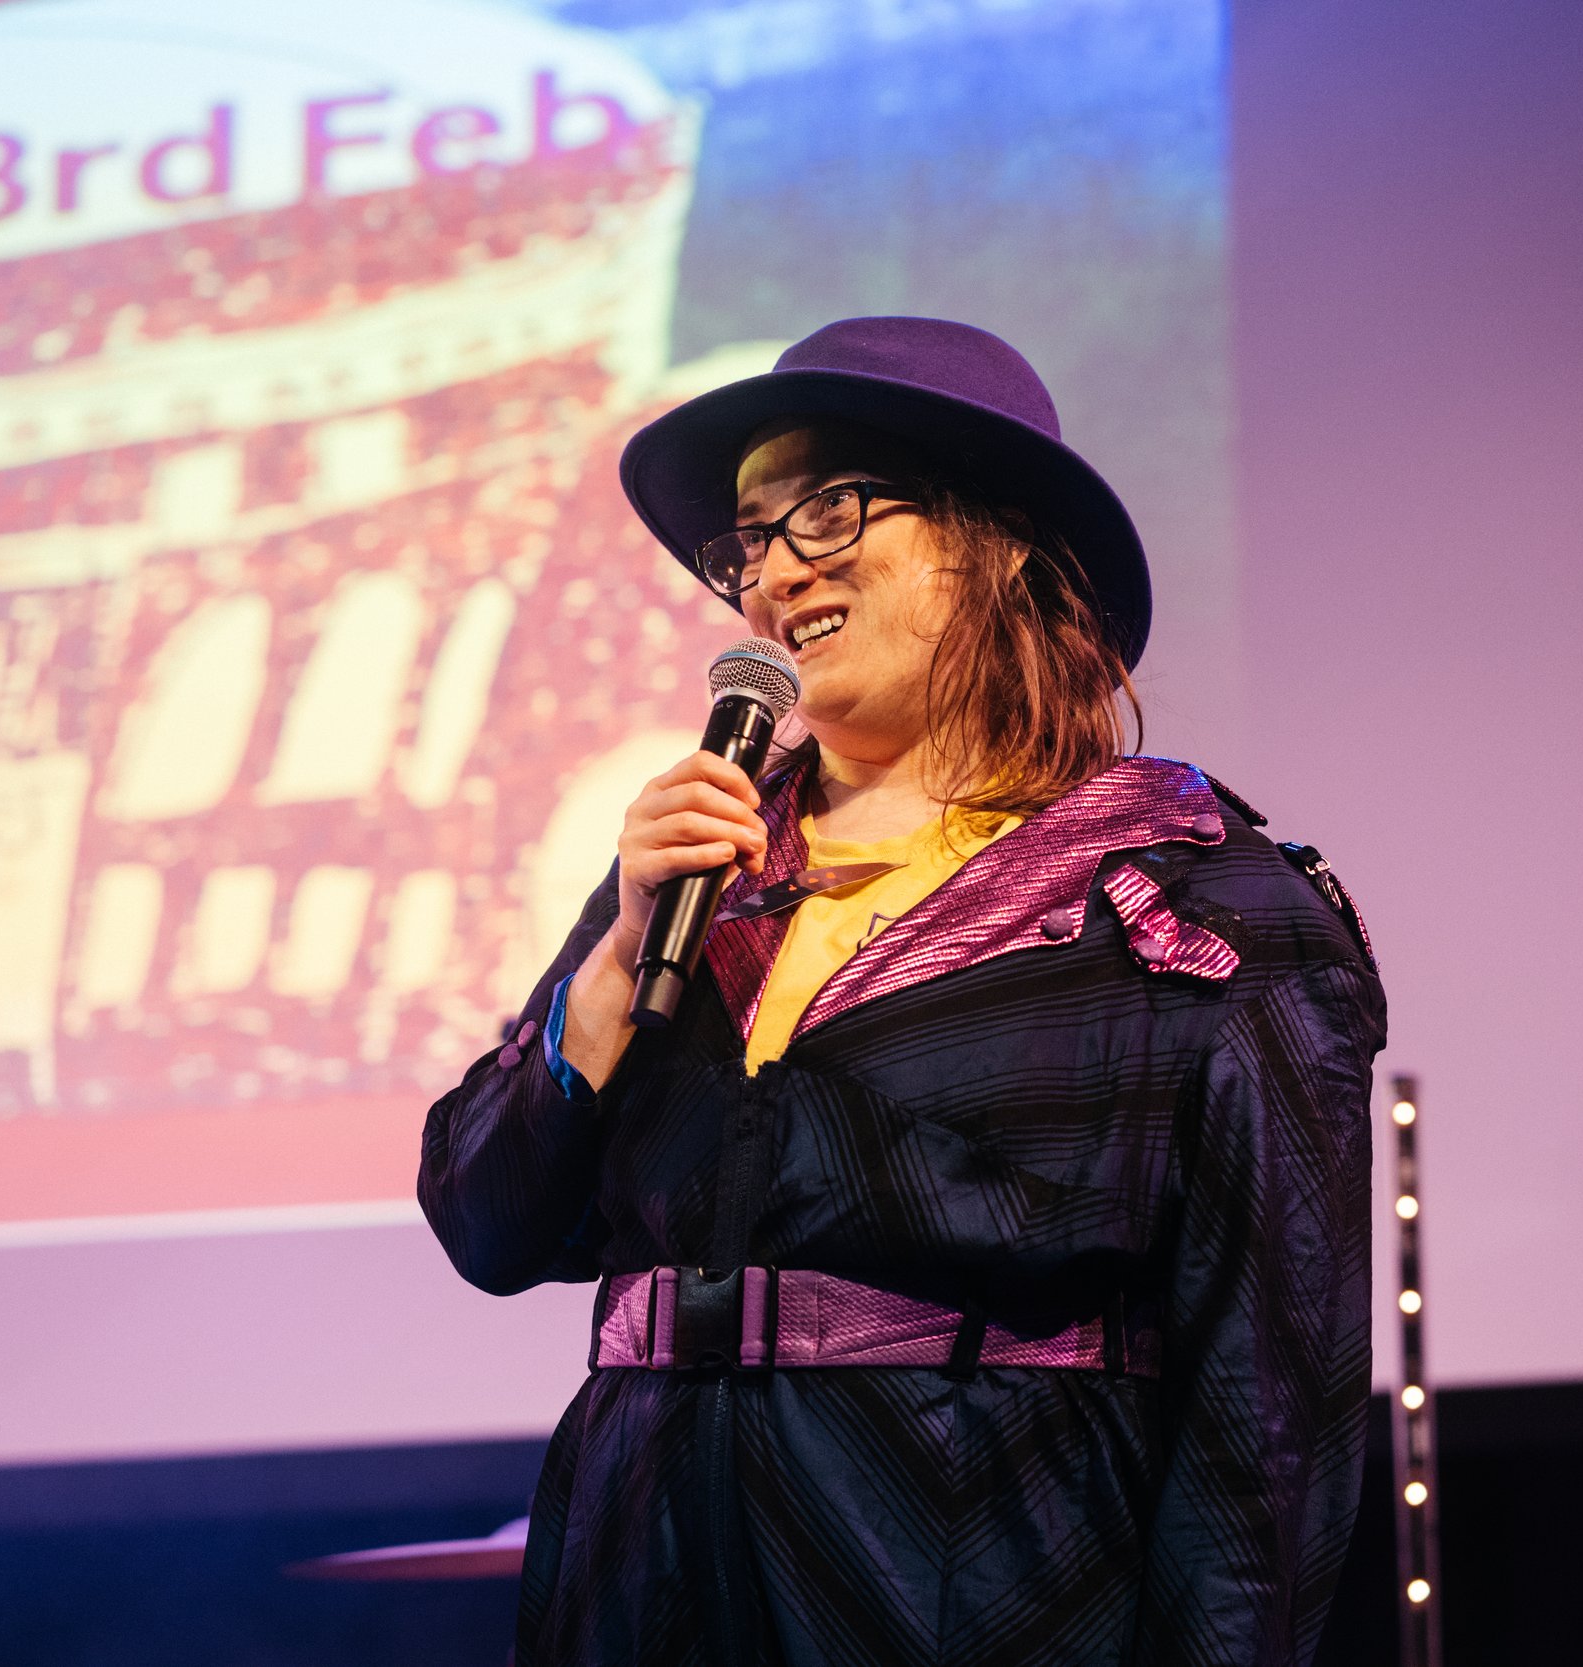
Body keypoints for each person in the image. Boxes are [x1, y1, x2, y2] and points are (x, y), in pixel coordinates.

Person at [420, 316, 1384, 1666]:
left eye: (825, 511)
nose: (770, 580)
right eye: (746, 545)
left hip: (976, 1593)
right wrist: (620, 956)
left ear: (991, 543)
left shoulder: (1194, 914)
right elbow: (485, 1216)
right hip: (634, 1592)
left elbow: (1265, 1436)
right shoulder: (699, 874)